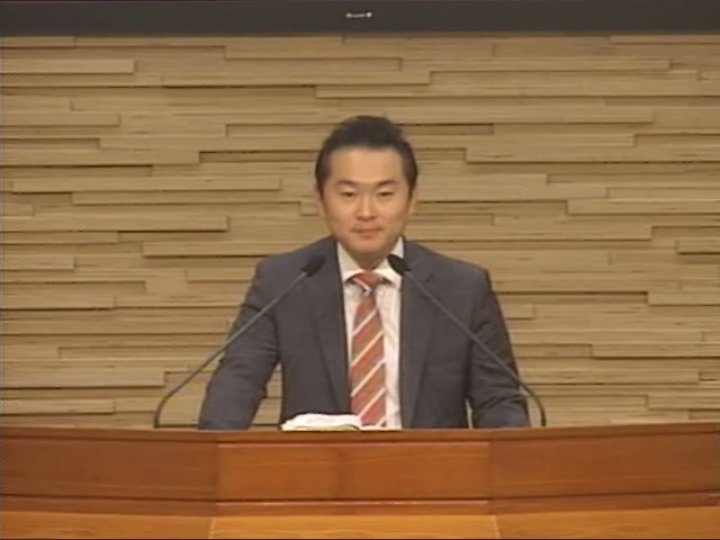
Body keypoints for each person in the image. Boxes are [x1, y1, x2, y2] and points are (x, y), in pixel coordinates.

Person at [198, 116, 529, 430]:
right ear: (320, 201)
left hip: (432, 469)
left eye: (384, 194)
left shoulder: (461, 289)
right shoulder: (284, 281)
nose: (366, 212)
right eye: (348, 195)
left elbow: (499, 402)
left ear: (412, 200)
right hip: (317, 468)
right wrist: (208, 453)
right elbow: (238, 381)